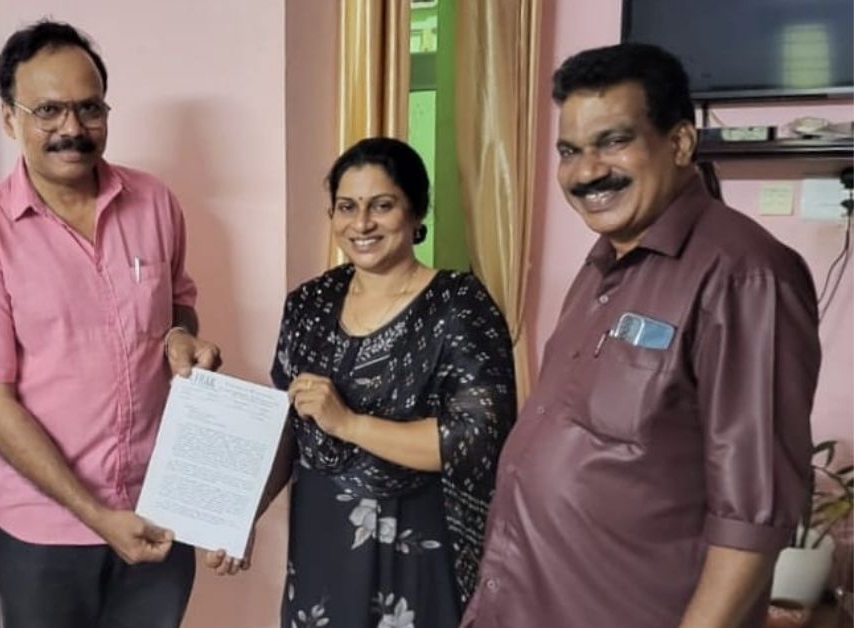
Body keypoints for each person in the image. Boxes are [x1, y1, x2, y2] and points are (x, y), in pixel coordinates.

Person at [461, 43, 822, 628]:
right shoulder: (601, 265)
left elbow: (751, 519)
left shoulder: (744, 274)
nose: (586, 172)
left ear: (679, 143)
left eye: (613, 141)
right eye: (570, 151)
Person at [0, 20, 220, 628]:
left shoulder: (155, 203)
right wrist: (97, 517)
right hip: (41, 533)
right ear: (10, 118)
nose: (72, 128)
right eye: (48, 110)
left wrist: (181, 337)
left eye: (89, 108)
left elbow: (177, 304)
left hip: (158, 505)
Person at [236, 137, 516, 627]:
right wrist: (242, 515)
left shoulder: (459, 306)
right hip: (321, 543)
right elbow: (287, 428)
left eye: (381, 206)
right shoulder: (309, 304)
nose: (361, 224)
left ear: (416, 211)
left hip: (417, 542)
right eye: (347, 207)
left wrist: (348, 424)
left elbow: (475, 441)